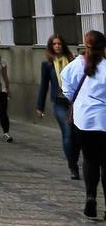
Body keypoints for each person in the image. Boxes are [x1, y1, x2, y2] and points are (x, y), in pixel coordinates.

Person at [61, 30, 106, 220]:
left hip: (83, 119)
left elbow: (67, 89)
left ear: (85, 45)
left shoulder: (74, 65)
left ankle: (90, 197)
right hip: (103, 120)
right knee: (105, 163)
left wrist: (80, 103)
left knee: (89, 159)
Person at [36, 33, 81, 179]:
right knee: (67, 132)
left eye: (59, 44)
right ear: (50, 46)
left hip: (74, 102)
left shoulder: (72, 61)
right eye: (54, 44)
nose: (57, 46)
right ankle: (73, 166)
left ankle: (74, 158)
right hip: (59, 102)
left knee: (76, 134)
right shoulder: (47, 64)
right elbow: (44, 86)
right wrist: (40, 106)